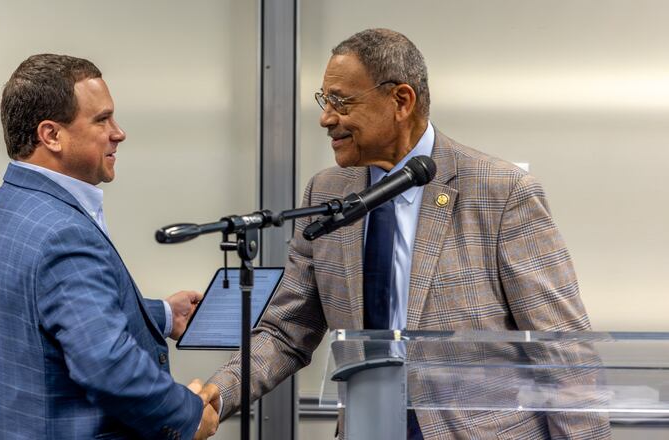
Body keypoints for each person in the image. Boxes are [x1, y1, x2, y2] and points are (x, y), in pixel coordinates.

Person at [205, 29, 610, 439]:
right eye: (324, 100)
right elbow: (285, 331)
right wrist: (212, 397)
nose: (327, 118)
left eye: (341, 101)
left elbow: (562, 349)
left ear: (401, 101)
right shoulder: (326, 193)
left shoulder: (500, 192)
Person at [0, 54, 218, 440]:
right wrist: (186, 415)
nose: (118, 133)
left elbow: (51, 318)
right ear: (51, 135)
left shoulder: (10, 207)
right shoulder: (62, 232)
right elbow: (107, 366)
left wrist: (162, 315)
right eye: (102, 120)